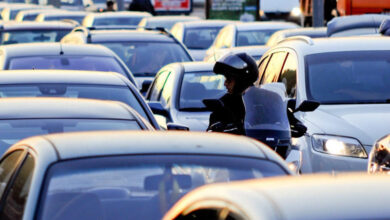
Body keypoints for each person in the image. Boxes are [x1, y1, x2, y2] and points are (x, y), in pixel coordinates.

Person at [204, 52, 258, 135]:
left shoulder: (266, 100)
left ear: (241, 81)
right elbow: (211, 134)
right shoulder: (223, 105)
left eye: (229, 79)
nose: (225, 83)